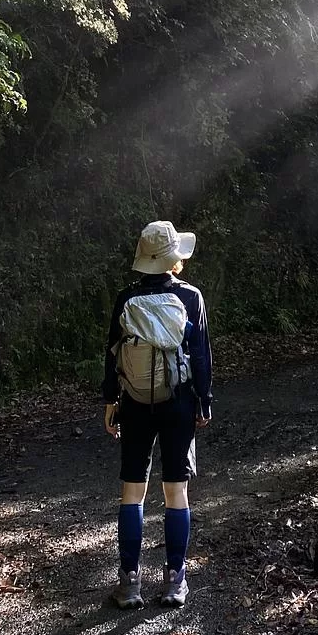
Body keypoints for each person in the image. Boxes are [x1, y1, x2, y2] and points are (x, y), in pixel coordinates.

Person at [102, 219, 213, 609]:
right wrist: (205, 399)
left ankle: (129, 582)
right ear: (173, 258)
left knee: (132, 492)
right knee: (176, 491)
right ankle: (174, 581)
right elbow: (199, 356)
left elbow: (113, 354)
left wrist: (110, 401)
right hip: (178, 401)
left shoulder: (126, 299)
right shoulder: (190, 297)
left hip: (133, 401)